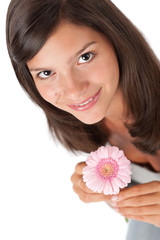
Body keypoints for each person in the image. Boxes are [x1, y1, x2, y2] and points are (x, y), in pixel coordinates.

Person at [6, 0, 160, 239]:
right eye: (46, 73)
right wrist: (111, 195)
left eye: (85, 57)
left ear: (116, 38)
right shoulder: (95, 134)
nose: (73, 90)